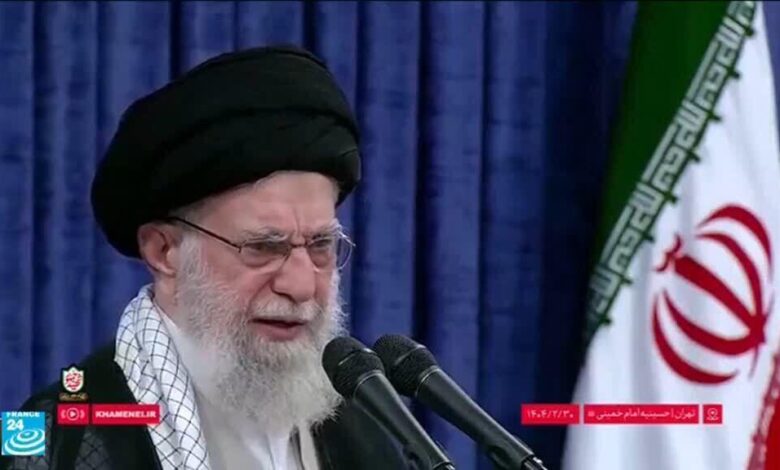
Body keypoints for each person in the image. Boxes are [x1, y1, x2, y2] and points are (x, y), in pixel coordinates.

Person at [4, 45, 408, 470]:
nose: (301, 285)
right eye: (264, 247)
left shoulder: (365, 436)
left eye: (320, 245)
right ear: (165, 251)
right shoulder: (46, 437)